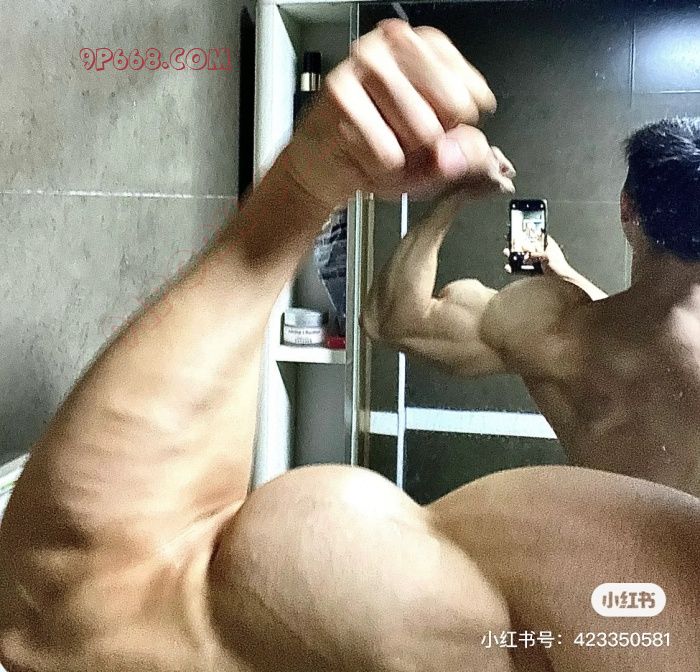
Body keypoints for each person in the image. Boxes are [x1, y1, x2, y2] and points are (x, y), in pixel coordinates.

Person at [0, 20, 697, 672]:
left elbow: (71, 606)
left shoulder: (555, 330)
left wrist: (377, 191)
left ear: (628, 210)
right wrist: (570, 279)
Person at [364, 117, 700, 499]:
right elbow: (662, 330)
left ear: (627, 207)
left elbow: (392, 319)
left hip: (606, 535)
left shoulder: (557, 331)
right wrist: (564, 273)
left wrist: (457, 192)